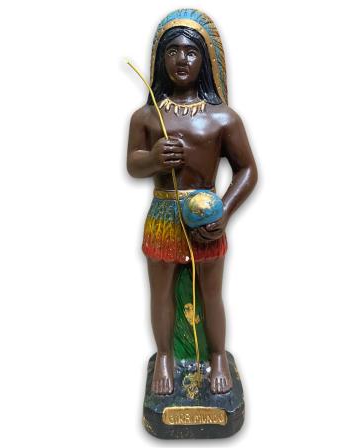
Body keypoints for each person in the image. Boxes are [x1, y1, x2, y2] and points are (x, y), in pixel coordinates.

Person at [127, 9, 257, 395]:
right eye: (172, 52)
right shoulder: (147, 116)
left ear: (205, 60)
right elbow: (133, 164)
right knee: (161, 291)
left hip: (206, 216)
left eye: (190, 52)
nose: (181, 60)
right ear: (159, 60)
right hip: (164, 213)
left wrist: (225, 212)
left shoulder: (223, 118)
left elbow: (247, 170)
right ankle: (165, 356)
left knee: (211, 292)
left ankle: (218, 356)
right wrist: (153, 159)